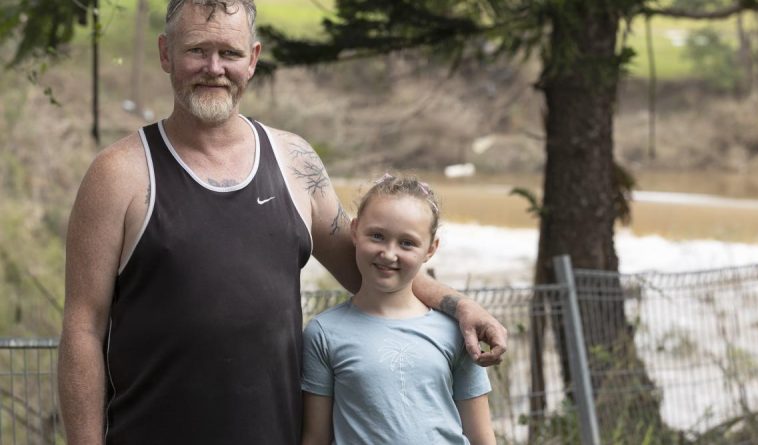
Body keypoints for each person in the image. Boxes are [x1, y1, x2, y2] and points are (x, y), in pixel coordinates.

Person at [57, 1, 507, 444]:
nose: (214, 67)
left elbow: (369, 268)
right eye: (197, 50)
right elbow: (83, 327)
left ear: (252, 59)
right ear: (165, 53)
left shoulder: (294, 162)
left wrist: (458, 305)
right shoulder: (118, 174)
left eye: (230, 53)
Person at [302, 175, 497, 445]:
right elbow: (315, 438)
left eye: (407, 243)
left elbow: (482, 437)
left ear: (431, 249)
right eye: (378, 236)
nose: (389, 253)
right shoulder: (323, 333)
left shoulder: (456, 331)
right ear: (355, 231)